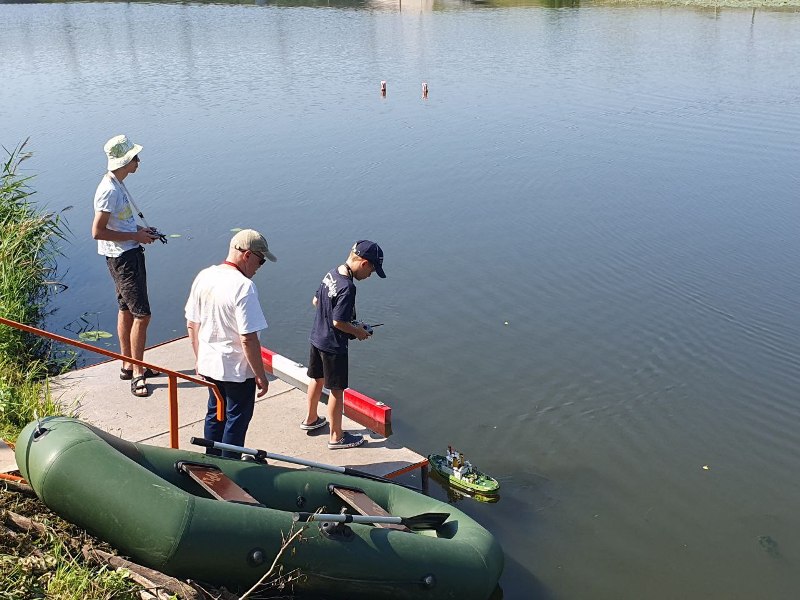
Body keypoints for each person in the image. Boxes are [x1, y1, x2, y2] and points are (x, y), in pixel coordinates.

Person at [185, 229, 276, 458]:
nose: (259, 267)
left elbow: (192, 324)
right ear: (247, 255)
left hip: (209, 364)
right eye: (261, 260)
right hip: (236, 370)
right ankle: (230, 467)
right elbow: (248, 338)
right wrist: (260, 375)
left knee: (215, 414)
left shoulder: (204, 275)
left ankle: (210, 461)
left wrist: (199, 358)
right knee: (236, 420)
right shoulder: (244, 286)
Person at [92, 135, 162, 398]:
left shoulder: (116, 184)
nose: (138, 161)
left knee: (126, 310)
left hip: (125, 254)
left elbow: (119, 223)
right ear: (124, 161)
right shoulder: (109, 190)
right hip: (124, 259)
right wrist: (135, 236)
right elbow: (97, 232)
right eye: (134, 157)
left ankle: (128, 364)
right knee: (142, 315)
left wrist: (141, 231)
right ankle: (138, 374)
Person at [303, 240, 386, 450]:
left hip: (317, 337)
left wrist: (351, 322)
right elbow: (338, 322)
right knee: (337, 390)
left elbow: (316, 302)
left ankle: (311, 419)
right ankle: (336, 436)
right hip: (333, 346)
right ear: (364, 263)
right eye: (372, 270)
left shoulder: (331, 274)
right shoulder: (348, 287)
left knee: (316, 379)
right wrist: (358, 332)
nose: (370, 275)